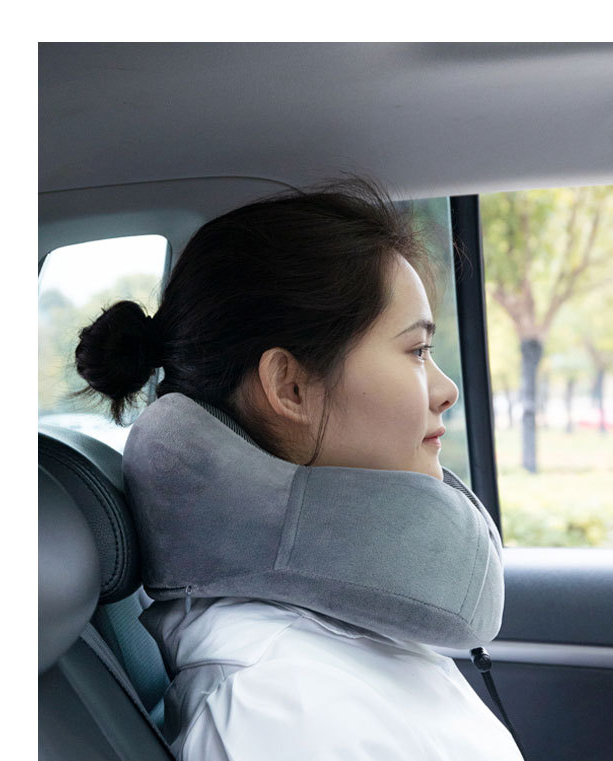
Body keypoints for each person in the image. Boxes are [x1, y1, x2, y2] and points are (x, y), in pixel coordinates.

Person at [74, 177, 523, 760]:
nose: (447, 390)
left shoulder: (323, 642)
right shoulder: (279, 706)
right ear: (289, 387)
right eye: (416, 350)